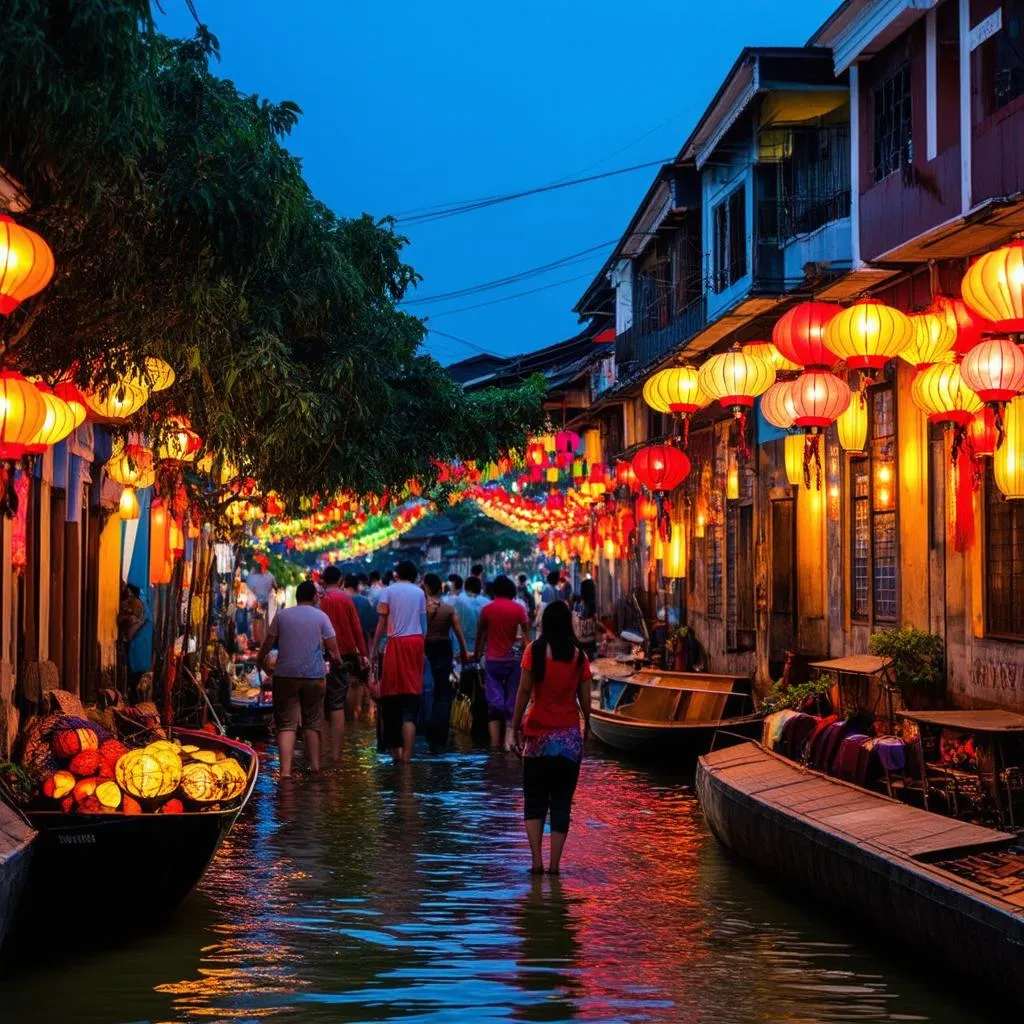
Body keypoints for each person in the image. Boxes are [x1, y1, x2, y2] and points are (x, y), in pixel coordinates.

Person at [507, 601, 591, 875]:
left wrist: (514, 724)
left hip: (538, 738)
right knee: (561, 802)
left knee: (534, 800)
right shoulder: (579, 657)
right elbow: (586, 702)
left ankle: (536, 862)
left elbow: (523, 691)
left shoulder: (535, 651)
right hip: (568, 740)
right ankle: (555, 866)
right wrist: (587, 728)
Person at [256, 580, 342, 779]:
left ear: (297, 597)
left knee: (286, 724)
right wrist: (338, 660)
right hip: (314, 676)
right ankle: (315, 767)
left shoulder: (283, 615)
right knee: (312, 723)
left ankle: (285, 772)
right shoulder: (321, 617)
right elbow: (333, 647)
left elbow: (268, 642)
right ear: (314, 597)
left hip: (285, 675)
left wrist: (260, 660)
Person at [372, 560, 426, 762]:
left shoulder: (388, 591)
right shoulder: (420, 593)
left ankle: (395, 755)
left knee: (391, 700)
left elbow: (382, 623)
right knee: (410, 704)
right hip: (416, 644)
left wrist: (374, 647)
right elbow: (423, 624)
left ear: (397, 574)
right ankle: (407, 759)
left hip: (395, 645)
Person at [319, 566, 369, 759]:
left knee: (321, 705)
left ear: (323, 580)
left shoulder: (320, 600)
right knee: (337, 703)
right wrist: (363, 654)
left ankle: (321, 750)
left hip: (321, 655)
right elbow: (357, 628)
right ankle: (336, 753)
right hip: (344, 654)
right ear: (340, 581)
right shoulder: (346, 600)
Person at [473, 574, 529, 749]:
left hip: (492, 661)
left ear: (494, 591)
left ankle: (495, 745)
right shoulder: (519, 609)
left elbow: (480, 635)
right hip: (513, 661)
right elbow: (527, 638)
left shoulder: (487, 610)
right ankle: (508, 743)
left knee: (494, 703)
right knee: (512, 702)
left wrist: (476, 655)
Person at [422, 573, 469, 745]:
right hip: (444, 649)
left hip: (425, 649)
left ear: (426, 587)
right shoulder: (449, 609)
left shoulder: (422, 609)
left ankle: (424, 724)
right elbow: (458, 632)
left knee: (427, 687)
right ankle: (440, 728)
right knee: (443, 689)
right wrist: (465, 652)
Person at [345, 573, 378, 719]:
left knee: (348, 681)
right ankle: (356, 713)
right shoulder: (365, 602)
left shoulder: (342, 601)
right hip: (362, 643)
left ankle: (349, 715)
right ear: (357, 585)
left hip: (345, 645)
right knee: (358, 681)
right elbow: (372, 625)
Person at [572, 578, 611, 660]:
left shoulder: (576, 604)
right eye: (594, 588)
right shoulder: (591, 605)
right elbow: (593, 622)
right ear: (591, 590)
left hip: (577, 645)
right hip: (589, 646)